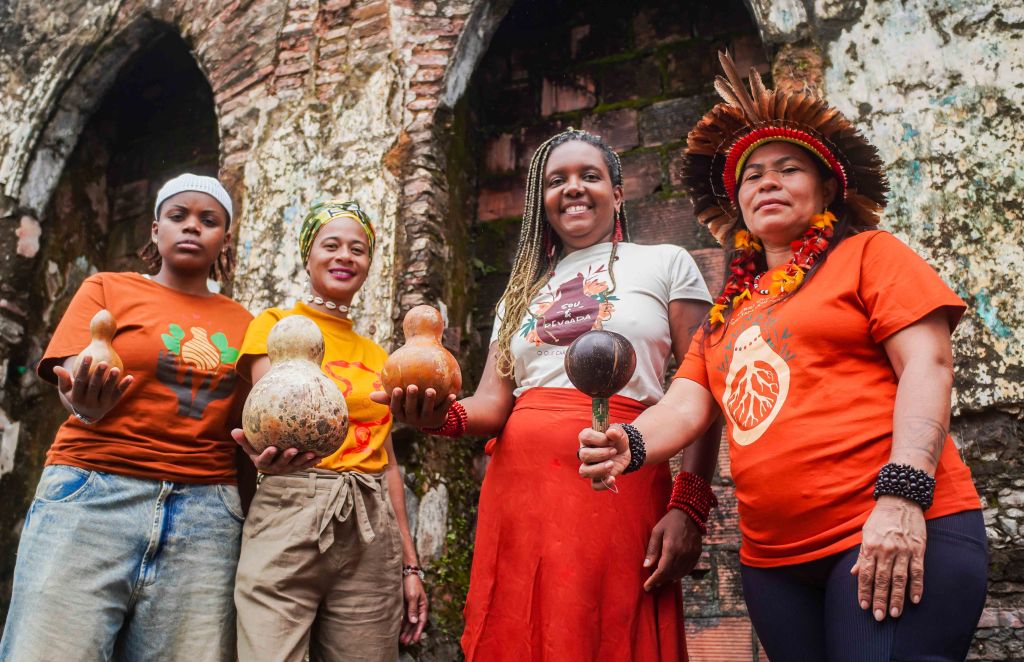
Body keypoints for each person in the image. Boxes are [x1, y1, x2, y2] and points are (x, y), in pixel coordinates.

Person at [580, 53, 987, 661]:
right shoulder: (726, 314)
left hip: (888, 522)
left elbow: (928, 366)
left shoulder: (870, 255)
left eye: (788, 169)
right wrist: (629, 444)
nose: (766, 182)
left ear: (827, 189)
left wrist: (903, 497)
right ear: (739, 204)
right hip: (774, 566)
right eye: (752, 176)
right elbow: (687, 405)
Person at [375, 128, 721, 660]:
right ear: (543, 201)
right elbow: (493, 404)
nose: (573, 188)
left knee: (608, 629)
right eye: (557, 180)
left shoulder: (666, 263)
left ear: (618, 193)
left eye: (590, 176)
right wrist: (437, 416)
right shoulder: (519, 292)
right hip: (520, 493)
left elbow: (705, 386)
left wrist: (689, 505)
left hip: (616, 477)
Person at [0, 174, 252, 662]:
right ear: (156, 230)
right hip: (92, 494)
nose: (192, 226)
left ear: (225, 239)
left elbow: (247, 426)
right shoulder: (107, 288)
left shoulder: (246, 324)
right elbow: (74, 371)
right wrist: (84, 399)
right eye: (178, 216)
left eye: (208, 220)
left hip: (205, 520)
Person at [232, 200, 427, 662]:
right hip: (292, 500)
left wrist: (410, 563)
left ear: (368, 264)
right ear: (308, 256)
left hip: (369, 518)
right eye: (331, 245)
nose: (345, 256)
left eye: (357, 249)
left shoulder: (380, 357)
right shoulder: (275, 326)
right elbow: (271, 416)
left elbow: (388, 462)